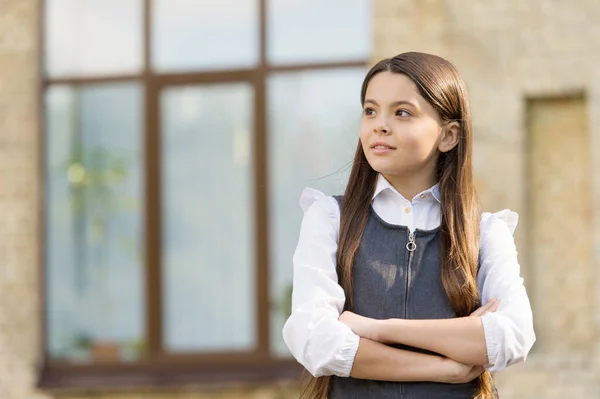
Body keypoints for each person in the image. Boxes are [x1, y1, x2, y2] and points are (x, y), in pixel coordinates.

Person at [282, 52, 535, 399]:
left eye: (402, 112)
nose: (380, 125)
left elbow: (513, 337)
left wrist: (376, 329)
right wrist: (446, 367)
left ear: (449, 135)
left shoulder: (485, 233)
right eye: (370, 110)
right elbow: (313, 339)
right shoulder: (328, 218)